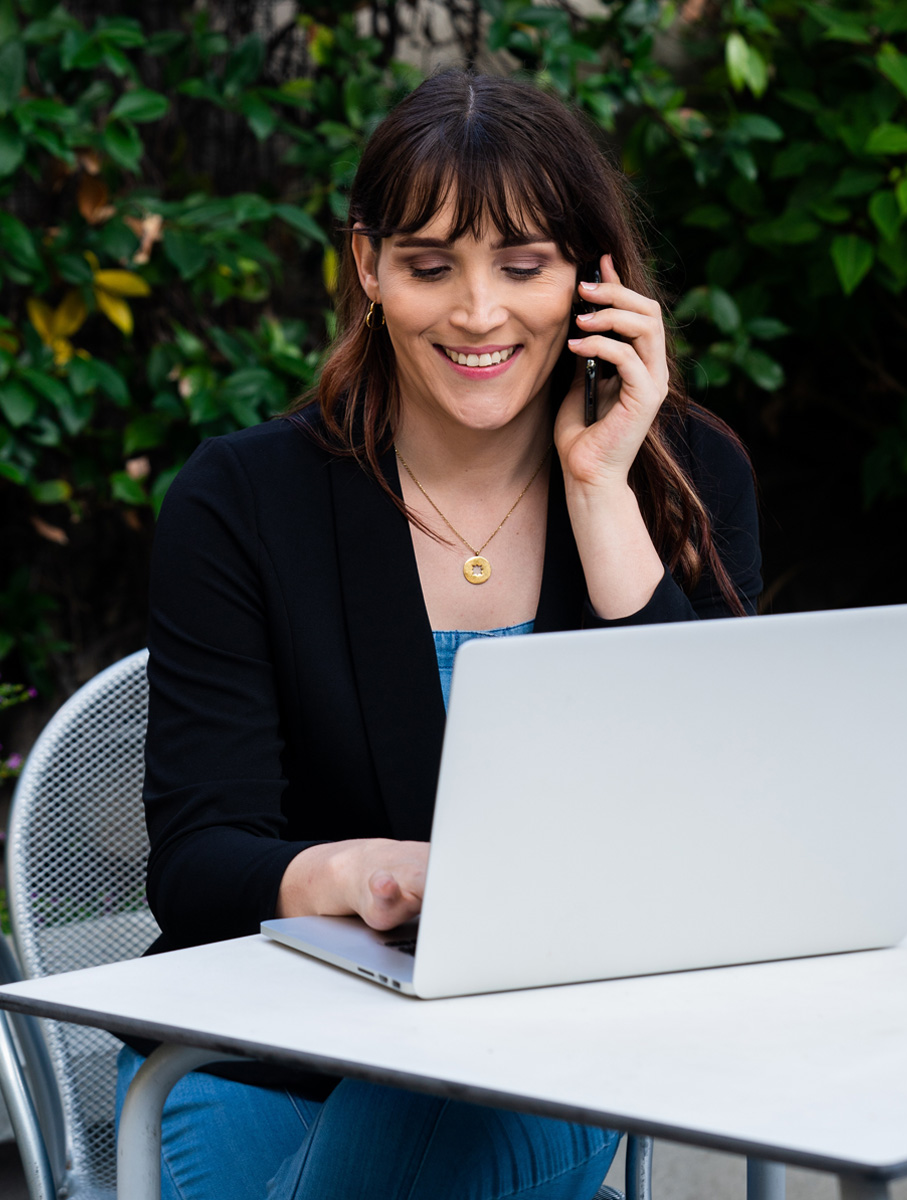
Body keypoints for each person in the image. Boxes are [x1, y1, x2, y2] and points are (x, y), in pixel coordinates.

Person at [115, 69, 762, 1200]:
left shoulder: (685, 479)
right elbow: (198, 867)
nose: (477, 314)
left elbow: (724, 830)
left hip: (541, 1058)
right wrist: (362, 873)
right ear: (366, 267)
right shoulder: (242, 502)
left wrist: (602, 492)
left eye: (523, 267)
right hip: (264, 1066)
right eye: (429, 267)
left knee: (470, 1095)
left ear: (592, 278)